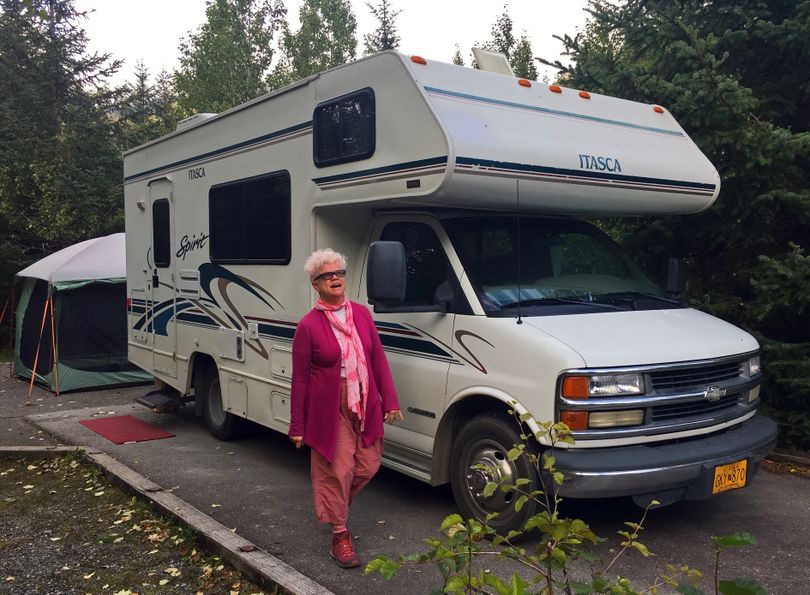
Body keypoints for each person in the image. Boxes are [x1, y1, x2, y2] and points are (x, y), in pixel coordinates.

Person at [289, 248, 404, 568]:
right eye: (327, 275)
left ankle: (333, 506)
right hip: (329, 405)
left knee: (367, 465)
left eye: (339, 272)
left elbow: (377, 357)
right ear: (316, 285)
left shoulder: (362, 314)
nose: (335, 278)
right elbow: (299, 378)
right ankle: (340, 533)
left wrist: (390, 400)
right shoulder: (308, 326)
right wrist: (297, 425)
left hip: (365, 398)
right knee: (338, 469)